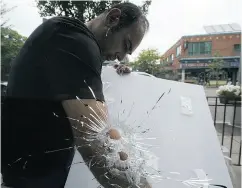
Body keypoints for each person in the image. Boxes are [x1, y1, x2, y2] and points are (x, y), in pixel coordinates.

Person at [1, 2, 150, 188]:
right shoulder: (74, 39)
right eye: (125, 45)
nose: (121, 57)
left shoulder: (63, 36)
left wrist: (114, 75)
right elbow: (96, 141)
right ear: (113, 18)